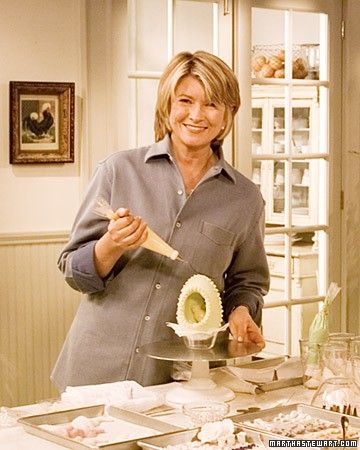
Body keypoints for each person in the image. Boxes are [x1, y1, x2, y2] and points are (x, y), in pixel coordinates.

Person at [51, 51, 270, 393]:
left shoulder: (245, 198)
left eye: (212, 104)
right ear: (168, 106)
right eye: (185, 100)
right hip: (94, 375)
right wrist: (111, 245)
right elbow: (71, 270)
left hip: (182, 382)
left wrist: (242, 310)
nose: (197, 115)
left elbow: (248, 281)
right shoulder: (118, 171)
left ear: (228, 115)